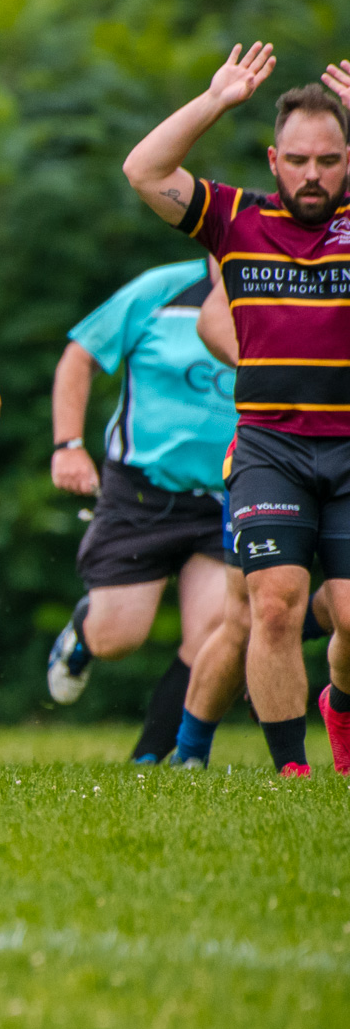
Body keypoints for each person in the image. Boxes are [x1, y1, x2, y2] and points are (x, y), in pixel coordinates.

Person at [123, 41, 350, 776]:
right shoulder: (235, 219)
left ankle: (338, 709)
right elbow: (144, 170)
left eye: (328, 160)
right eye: (298, 160)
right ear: (274, 159)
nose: (312, 175)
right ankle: (292, 772)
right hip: (270, 448)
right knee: (273, 604)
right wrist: (214, 99)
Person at [42, 259, 236, 764]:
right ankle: (83, 634)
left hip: (226, 495)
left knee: (215, 634)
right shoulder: (161, 289)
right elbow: (78, 356)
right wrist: (67, 444)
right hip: (142, 492)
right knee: (118, 639)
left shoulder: (276, 295)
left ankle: (150, 758)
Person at [167, 276, 335, 770]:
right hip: (272, 453)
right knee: (247, 615)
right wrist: (276, 370)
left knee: (318, 607)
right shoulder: (263, 237)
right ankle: (190, 752)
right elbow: (212, 318)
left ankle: (285, 631)